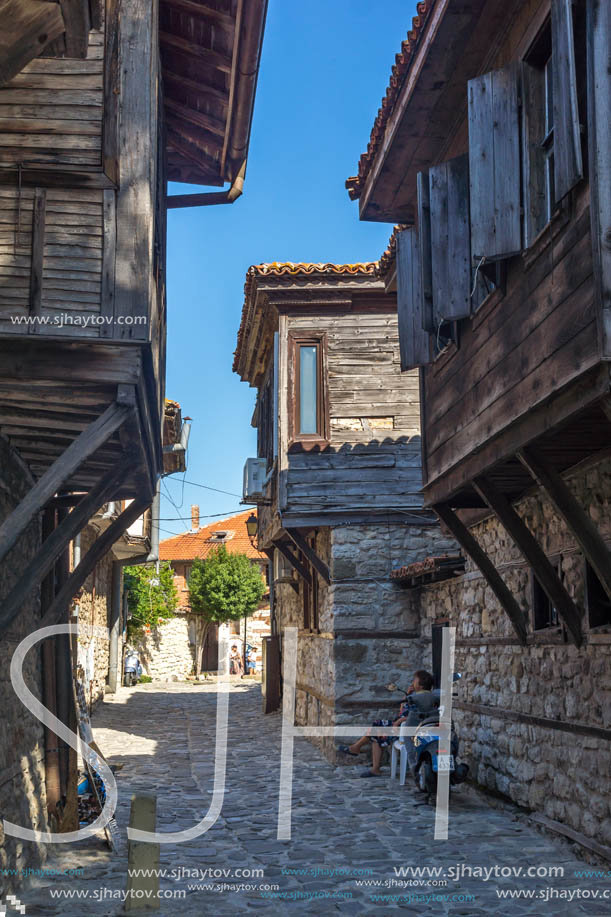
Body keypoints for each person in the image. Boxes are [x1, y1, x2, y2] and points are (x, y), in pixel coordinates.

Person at [338, 670, 438, 777]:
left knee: (377, 728)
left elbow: (418, 715)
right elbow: (403, 710)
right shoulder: (422, 696)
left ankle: (358, 750)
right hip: (405, 726)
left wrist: (399, 721)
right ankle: (366, 758)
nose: (413, 682)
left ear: (421, 685)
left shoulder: (419, 698)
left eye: (415, 680)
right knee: (377, 731)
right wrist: (407, 695)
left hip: (406, 729)